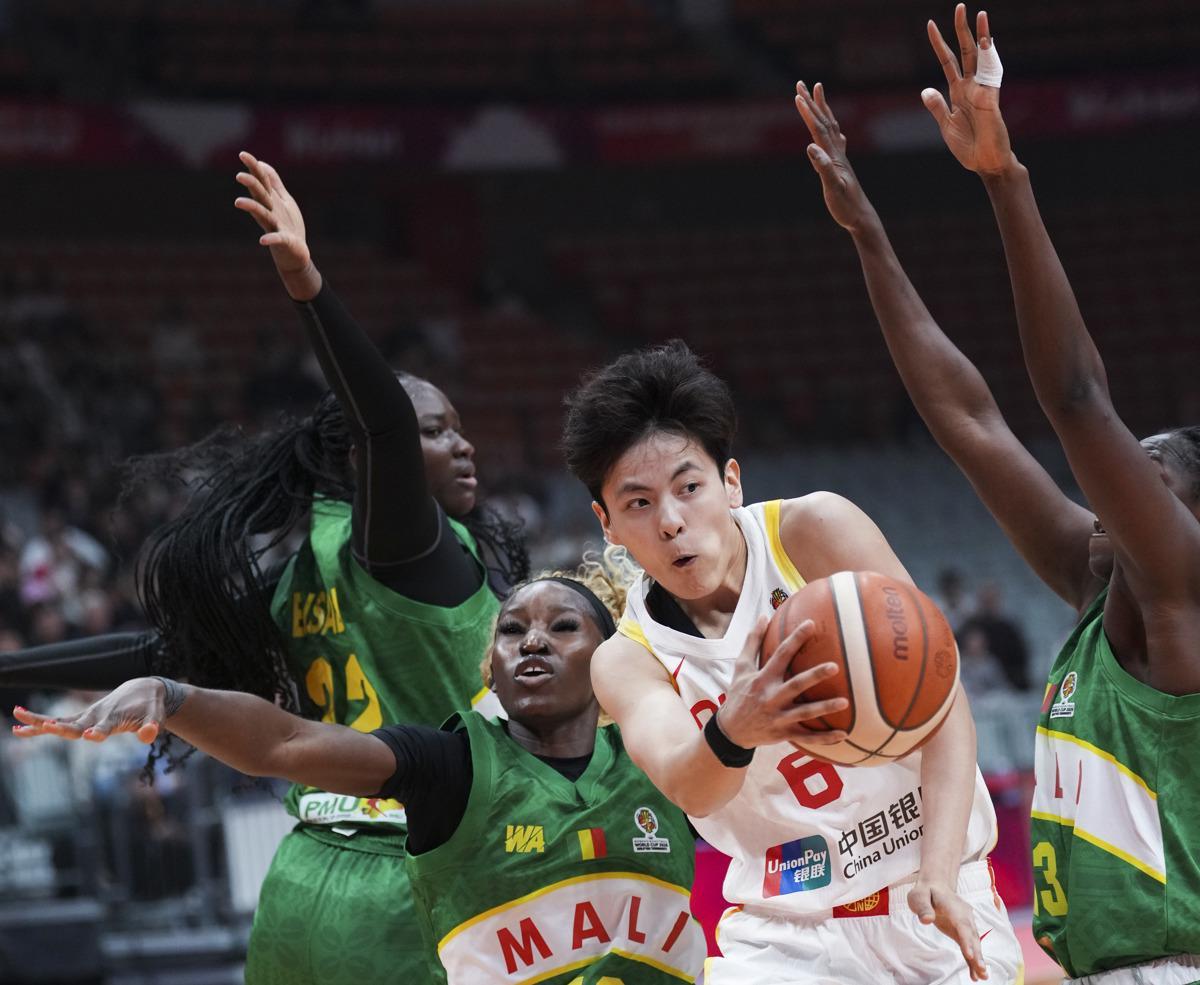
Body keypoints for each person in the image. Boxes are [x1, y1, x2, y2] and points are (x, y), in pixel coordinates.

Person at [0, 151, 529, 985]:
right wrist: (307, 284)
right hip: (415, 884)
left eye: (460, 426)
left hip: (302, 880)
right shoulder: (407, 552)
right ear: (365, 460)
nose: (462, 443)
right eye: (437, 430)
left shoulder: (303, 571)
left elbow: (157, 653)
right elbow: (384, 424)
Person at [799, 6, 1200, 981]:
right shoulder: (1100, 589)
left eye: (1148, 474)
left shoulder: (1182, 594)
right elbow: (969, 421)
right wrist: (869, 234)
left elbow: (1076, 400)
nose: (1112, 483)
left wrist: (1005, 177)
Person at [12, 564, 708, 985]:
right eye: (510, 629)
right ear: (489, 669)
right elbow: (286, 741)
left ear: (612, 656)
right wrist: (172, 695)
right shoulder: (453, 763)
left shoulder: (665, 757)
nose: (532, 639)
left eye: (563, 627)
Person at [560, 369, 1022, 975]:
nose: (670, 521)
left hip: (934, 896)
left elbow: (942, 701)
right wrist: (733, 730)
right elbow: (690, 788)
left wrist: (938, 875)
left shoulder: (813, 531)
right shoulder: (626, 659)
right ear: (608, 525)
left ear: (730, 482)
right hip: (786, 938)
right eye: (638, 503)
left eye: (689, 487)